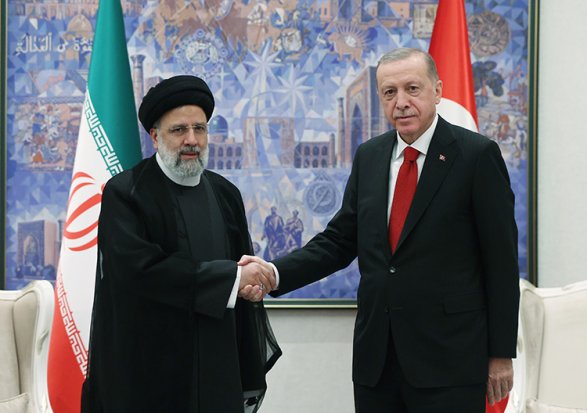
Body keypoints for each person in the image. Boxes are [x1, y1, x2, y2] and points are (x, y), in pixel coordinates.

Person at [240, 48, 519, 412]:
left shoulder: (476, 156)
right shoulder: (369, 156)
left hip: (450, 360)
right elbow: (339, 241)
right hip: (378, 361)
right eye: (389, 92)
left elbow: (501, 261)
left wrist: (500, 354)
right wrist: (274, 273)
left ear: (437, 90)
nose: (401, 102)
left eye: (412, 89)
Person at [81, 75, 281, 413]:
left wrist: (247, 287)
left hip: (217, 364)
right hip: (149, 370)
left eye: (199, 129)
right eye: (179, 130)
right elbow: (139, 272)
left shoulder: (225, 194)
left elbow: (240, 271)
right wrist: (232, 279)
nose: (192, 140)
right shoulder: (126, 193)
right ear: (155, 136)